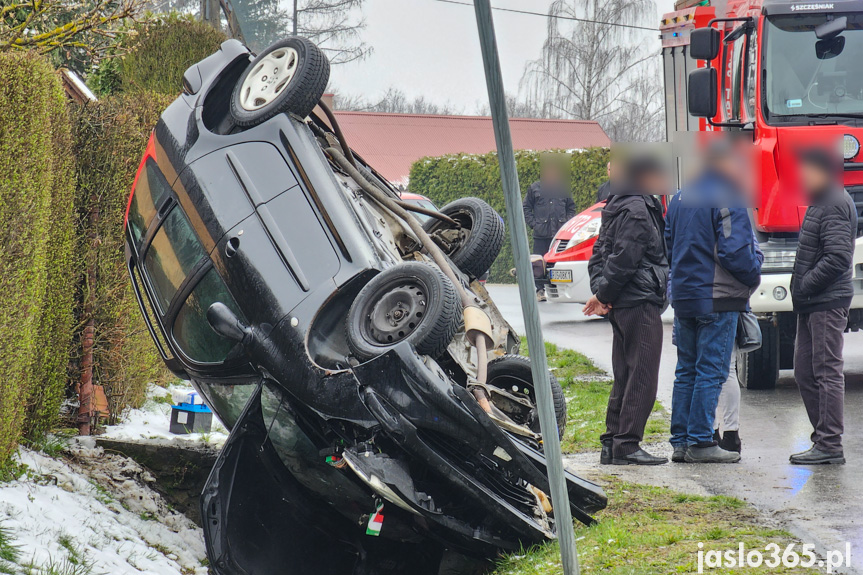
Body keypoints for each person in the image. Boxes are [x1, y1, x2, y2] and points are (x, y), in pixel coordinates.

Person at [666, 141, 762, 464]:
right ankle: (701, 441)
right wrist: (752, 277)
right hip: (718, 298)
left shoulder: (679, 197)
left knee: (687, 370)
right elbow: (737, 251)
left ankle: (680, 442)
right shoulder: (727, 195)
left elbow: (669, 244)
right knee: (712, 370)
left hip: (684, 297)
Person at [583, 155, 669, 466]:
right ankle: (627, 444)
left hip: (622, 301)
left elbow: (599, 254)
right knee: (642, 375)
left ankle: (612, 443)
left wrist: (602, 294)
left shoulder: (616, 203)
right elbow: (624, 258)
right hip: (638, 300)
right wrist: (603, 294)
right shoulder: (637, 207)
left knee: (625, 374)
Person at [789, 147, 858, 465]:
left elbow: (837, 258)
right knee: (804, 370)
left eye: (806, 169)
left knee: (827, 370)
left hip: (826, 300)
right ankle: (823, 440)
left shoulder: (832, 202)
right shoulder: (821, 200)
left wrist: (805, 285)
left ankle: (830, 443)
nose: (801, 175)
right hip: (812, 301)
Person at [523, 157, 577, 301]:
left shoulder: (563, 188)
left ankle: (558, 290)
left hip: (559, 234)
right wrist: (533, 224)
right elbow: (526, 207)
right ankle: (540, 291)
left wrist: (567, 223)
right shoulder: (534, 188)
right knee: (538, 264)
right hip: (541, 233)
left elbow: (571, 208)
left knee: (558, 264)